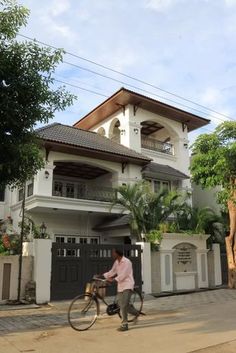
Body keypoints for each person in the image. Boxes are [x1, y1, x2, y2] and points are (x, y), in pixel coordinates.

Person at [103, 247, 138, 332]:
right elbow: (112, 272)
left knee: (123, 305)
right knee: (120, 304)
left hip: (127, 284)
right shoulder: (116, 262)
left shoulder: (127, 262)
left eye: (113, 253)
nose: (112, 254)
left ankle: (124, 324)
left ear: (117, 253)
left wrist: (114, 280)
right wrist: (103, 275)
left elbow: (124, 274)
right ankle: (136, 313)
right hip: (121, 286)